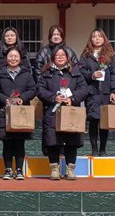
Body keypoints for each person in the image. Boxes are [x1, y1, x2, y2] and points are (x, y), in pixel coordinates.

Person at [37, 46, 88, 180]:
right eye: (57, 55)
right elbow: (40, 90)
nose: (60, 57)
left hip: (70, 111)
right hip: (52, 112)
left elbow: (84, 89)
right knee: (53, 141)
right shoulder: (47, 73)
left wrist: (72, 98)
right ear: (53, 58)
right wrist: (54, 97)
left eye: (63, 55)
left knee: (71, 141)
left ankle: (70, 169)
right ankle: (54, 169)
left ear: (67, 58)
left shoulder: (75, 72)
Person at [0, 47, 37, 180]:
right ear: (6, 58)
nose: (13, 59)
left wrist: (22, 98)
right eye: (10, 56)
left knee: (19, 142)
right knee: (7, 142)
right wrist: (5, 99)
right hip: (4, 112)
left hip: (21, 112)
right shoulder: (0, 73)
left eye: (16, 56)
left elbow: (33, 89)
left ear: (20, 58)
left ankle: (19, 170)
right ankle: (8, 170)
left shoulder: (26, 74)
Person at [79, 28, 115, 156]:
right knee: (93, 120)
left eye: (99, 36)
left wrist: (114, 91)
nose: (97, 39)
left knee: (104, 121)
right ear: (90, 39)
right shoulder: (86, 56)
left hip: (106, 93)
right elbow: (80, 72)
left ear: (104, 39)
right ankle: (94, 149)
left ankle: (103, 150)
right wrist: (91, 75)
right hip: (92, 93)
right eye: (94, 36)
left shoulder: (110, 55)